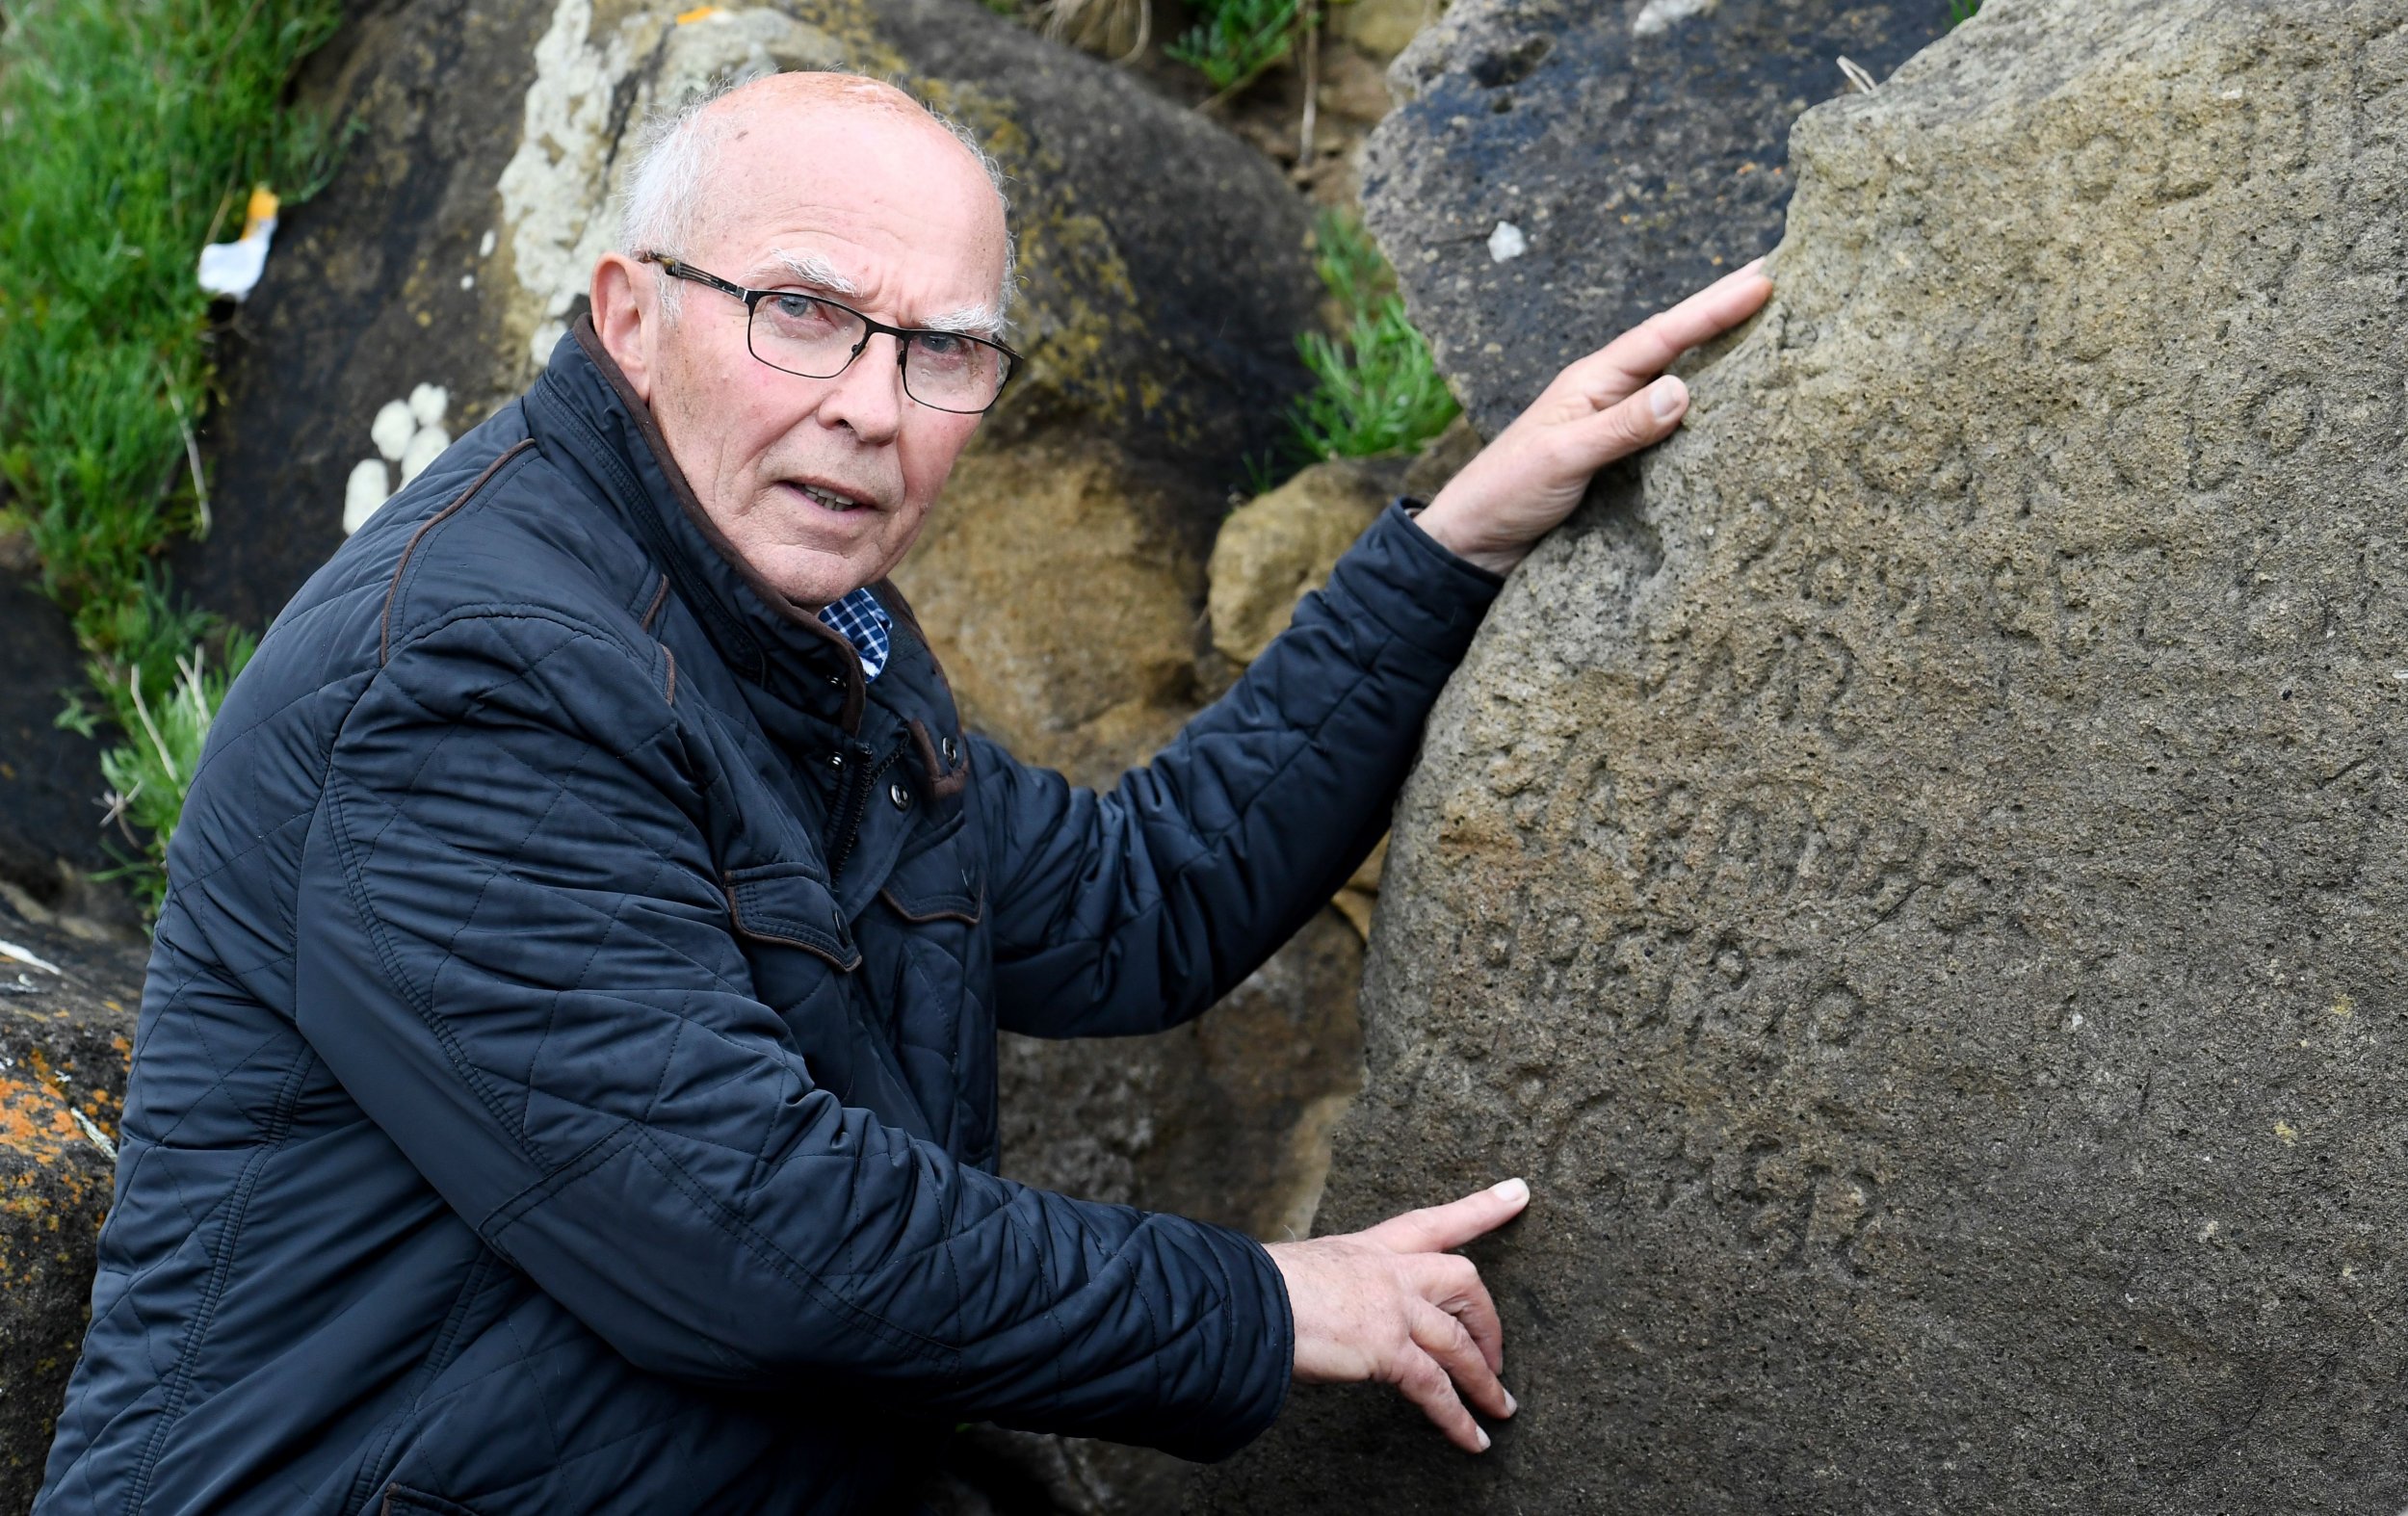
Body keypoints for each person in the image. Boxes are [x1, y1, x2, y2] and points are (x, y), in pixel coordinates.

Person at [36, 70, 1771, 1514]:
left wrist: (1452, 543)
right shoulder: (464, 678)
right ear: (629, 315)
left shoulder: (800, 615)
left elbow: (1135, 900)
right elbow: (751, 1234)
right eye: (804, 314)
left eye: (944, 351)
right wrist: (1256, 1300)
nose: (873, 406)